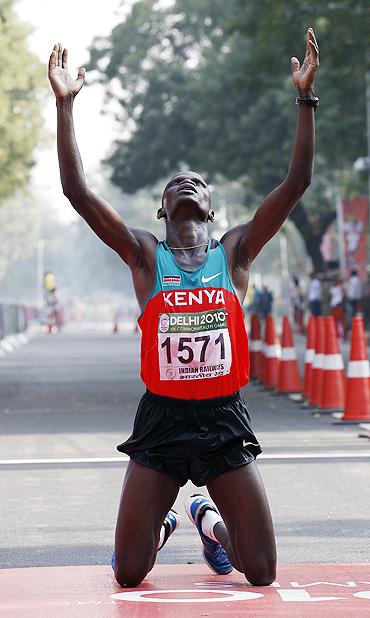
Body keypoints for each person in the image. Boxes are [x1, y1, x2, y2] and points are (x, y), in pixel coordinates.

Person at [48, 27, 319, 588]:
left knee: (262, 571)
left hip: (222, 418)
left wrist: (305, 99)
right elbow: (75, 189)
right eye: (177, 184)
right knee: (129, 572)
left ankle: (209, 522)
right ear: (164, 208)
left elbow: (296, 183)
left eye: (197, 183)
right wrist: (65, 105)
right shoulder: (146, 256)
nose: (186, 183)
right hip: (163, 419)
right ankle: (169, 519)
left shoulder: (236, 253)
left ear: (213, 210)